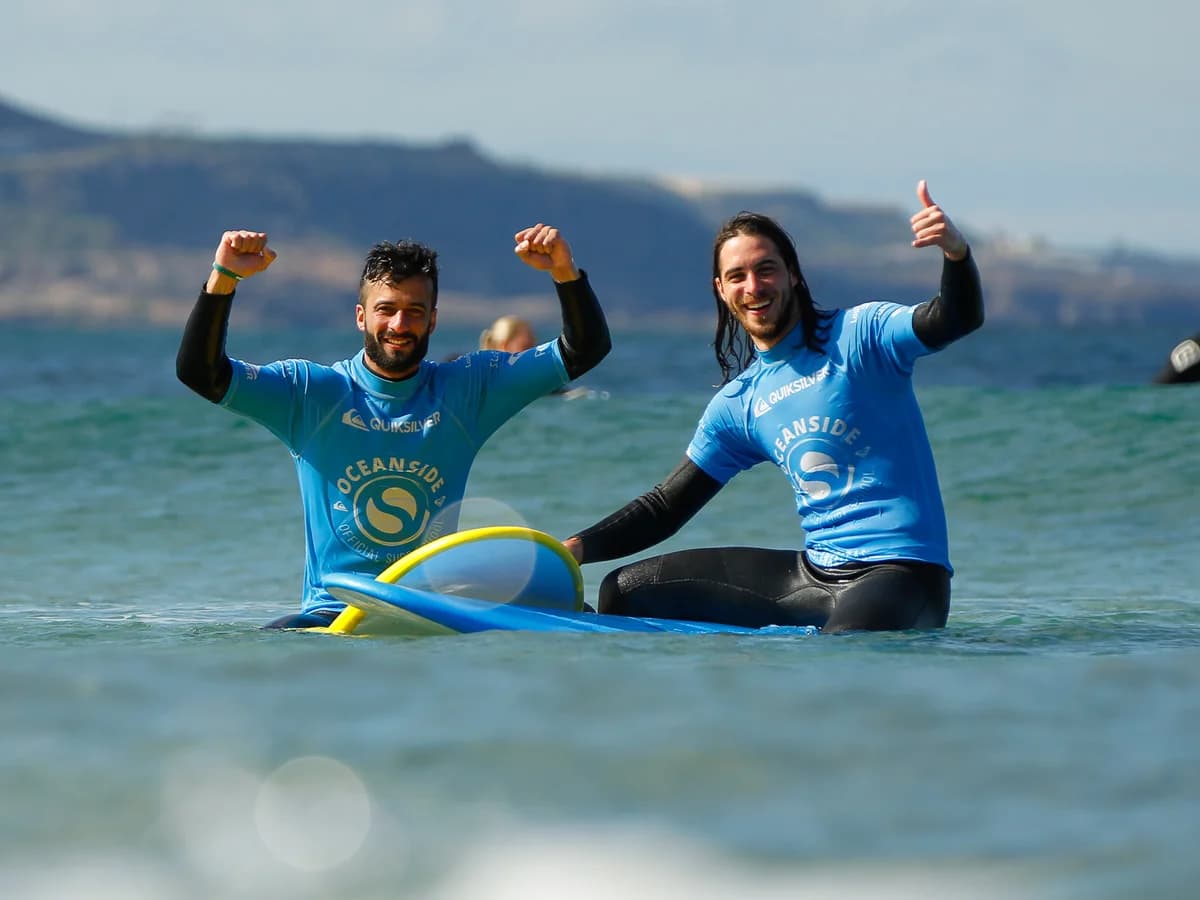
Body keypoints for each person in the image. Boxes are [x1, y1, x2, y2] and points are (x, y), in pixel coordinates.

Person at [562, 181, 983, 633]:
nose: (754, 286)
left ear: (793, 275)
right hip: (814, 576)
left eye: (767, 270)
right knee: (623, 591)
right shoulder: (739, 403)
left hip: (902, 576)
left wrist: (955, 254)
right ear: (721, 290)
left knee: (846, 651)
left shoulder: (862, 336)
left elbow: (954, 318)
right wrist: (574, 549)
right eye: (738, 276)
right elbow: (667, 506)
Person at [177, 223, 611, 628]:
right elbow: (201, 372)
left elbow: (583, 349)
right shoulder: (311, 393)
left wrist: (564, 273)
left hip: (429, 610)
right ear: (361, 316)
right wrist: (223, 277)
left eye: (414, 311)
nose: (399, 325)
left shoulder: (468, 389)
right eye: (386, 310)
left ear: (433, 319)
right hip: (333, 615)